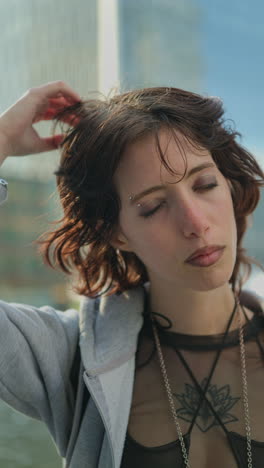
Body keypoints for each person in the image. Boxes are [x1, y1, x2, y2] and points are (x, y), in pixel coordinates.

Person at [0, 81, 264, 468]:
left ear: (228, 185)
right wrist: (2, 137)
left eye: (205, 184)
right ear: (117, 232)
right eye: (153, 206)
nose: (195, 223)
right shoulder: (69, 356)